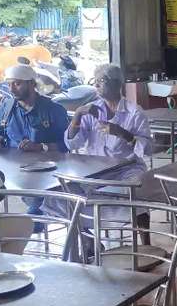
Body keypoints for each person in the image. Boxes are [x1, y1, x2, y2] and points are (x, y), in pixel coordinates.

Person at [60, 63, 153, 235]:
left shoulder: (134, 112)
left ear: (117, 84)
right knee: (66, 193)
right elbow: (72, 144)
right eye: (95, 81)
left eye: (102, 81)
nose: (96, 85)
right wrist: (77, 115)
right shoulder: (91, 110)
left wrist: (123, 134)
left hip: (126, 169)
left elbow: (148, 149)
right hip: (95, 170)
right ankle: (88, 241)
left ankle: (146, 243)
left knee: (137, 190)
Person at [0, 62, 69, 153]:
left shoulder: (54, 110)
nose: (11, 89)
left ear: (31, 83)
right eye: (9, 85)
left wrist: (41, 147)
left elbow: (66, 144)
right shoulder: (6, 108)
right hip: (11, 161)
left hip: (45, 161)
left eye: (17, 84)